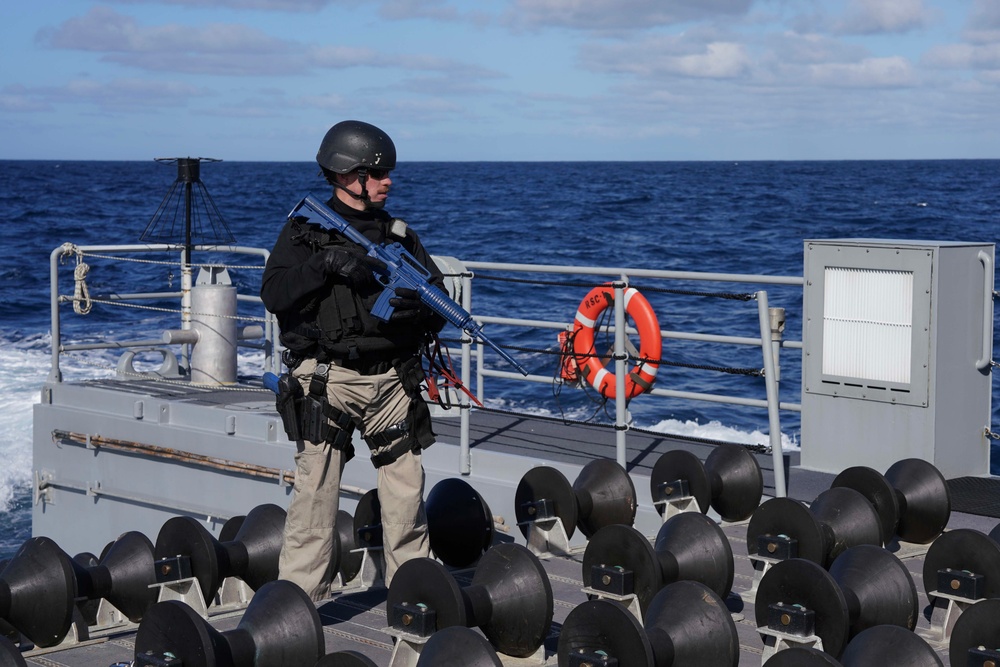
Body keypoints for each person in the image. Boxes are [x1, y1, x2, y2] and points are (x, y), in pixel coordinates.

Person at [260, 120, 445, 600]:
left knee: (406, 501)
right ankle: (293, 614)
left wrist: (418, 309)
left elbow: (438, 299)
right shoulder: (305, 233)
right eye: (377, 173)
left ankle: (416, 601)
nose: (388, 182)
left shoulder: (399, 236)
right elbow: (274, 293)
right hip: (329, 380)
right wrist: (324, 266)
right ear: (348, 175)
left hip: (391, 384)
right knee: (314, 504)